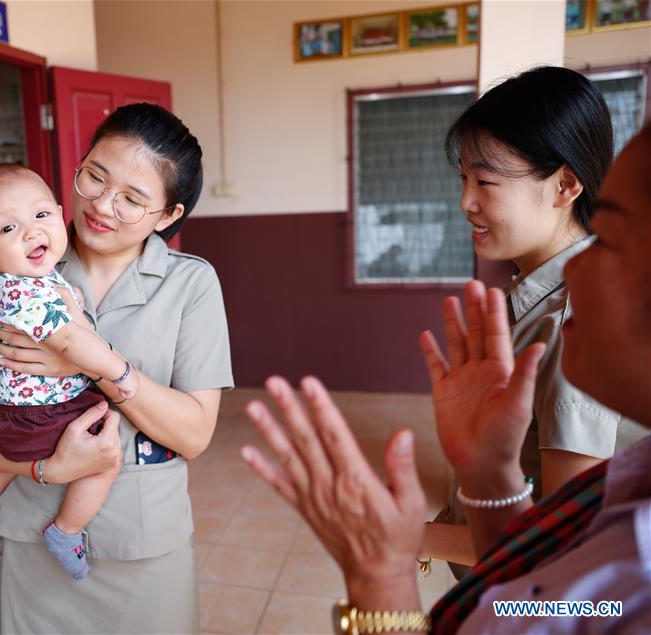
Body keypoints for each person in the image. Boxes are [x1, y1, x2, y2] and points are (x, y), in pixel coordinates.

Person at [240, 125, 651, 633]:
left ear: (566, 187)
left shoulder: (634, 578)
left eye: (612, 242)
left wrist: (383, 573)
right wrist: (489, 475)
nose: (581, 268)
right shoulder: (631, 489)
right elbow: (536, 588)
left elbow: (547, 603)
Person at [0, 103, 233, 633]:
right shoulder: (9, 270)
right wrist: (45, 469)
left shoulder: (192, 285)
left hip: (144, 549)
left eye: (132, 199)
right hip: (31, 537)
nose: (101, 204)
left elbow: (193, 434)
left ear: (169, 216)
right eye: (94, 176)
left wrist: (99, 364)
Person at [423, 66, 644, 573]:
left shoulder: (574, 322)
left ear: (565, 184)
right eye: (463, 178)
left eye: (485, 181)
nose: (465, 201)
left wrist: (412, 537)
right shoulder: (534, 294)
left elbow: (566, 544)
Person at [0, 164, 138, 582]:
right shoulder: (28, 293)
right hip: (45, 414)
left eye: (40, 216)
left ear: (58, 213)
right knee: (104, 461)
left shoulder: (7, 280)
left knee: (2, 456)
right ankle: (66, 531)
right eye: (7, 229)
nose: (31, 233)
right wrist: (120, 374)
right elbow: (71, 344)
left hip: (4, 411)